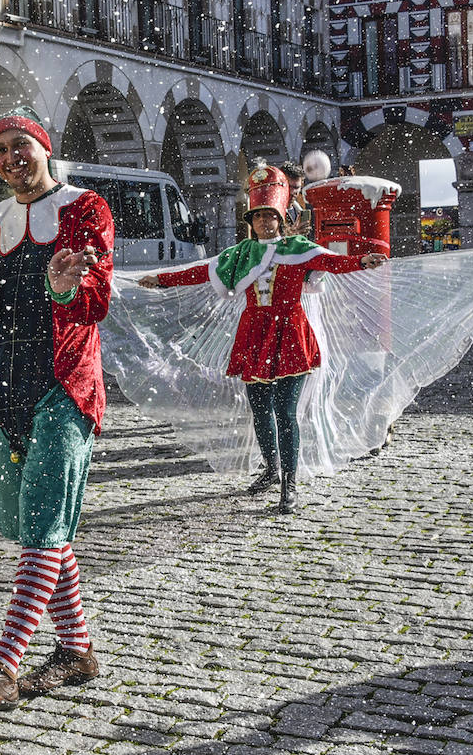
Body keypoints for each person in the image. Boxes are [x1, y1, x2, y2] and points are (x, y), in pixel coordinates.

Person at [0, 112, 115, 711]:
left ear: (45, 149)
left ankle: (2, 667)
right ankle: (75, 650)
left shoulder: (85, 208)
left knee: (42, 525)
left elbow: (96, 302)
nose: (12, 158)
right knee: (43, 526)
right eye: (1, 151)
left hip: (64, 385)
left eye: (22, 147)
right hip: (6, 385)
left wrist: (64, 288)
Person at [138, 166, 387, 514]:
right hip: (254, 334)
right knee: (259, 410)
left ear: (281, 217)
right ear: (250, 221)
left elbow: (333, 263)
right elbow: (200, 271)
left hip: (290, 333)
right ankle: (270, 468)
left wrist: (361, 260)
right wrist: (162, 280)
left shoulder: (299, 248)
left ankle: (290, 483)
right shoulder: (240, 255)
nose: (265, 223)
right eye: (259, 217)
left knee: (285, 412)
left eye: (271, 216)